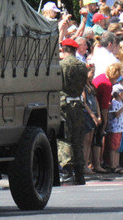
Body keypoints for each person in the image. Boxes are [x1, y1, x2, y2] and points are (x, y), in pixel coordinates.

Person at [59, 38, 88, 184]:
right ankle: (79, 173)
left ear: (63, 49)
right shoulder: (82, 66)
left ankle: (66, 170)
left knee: (64, 138)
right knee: (77, 139)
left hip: (64, 105)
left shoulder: (61, 65)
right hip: (78, 103)